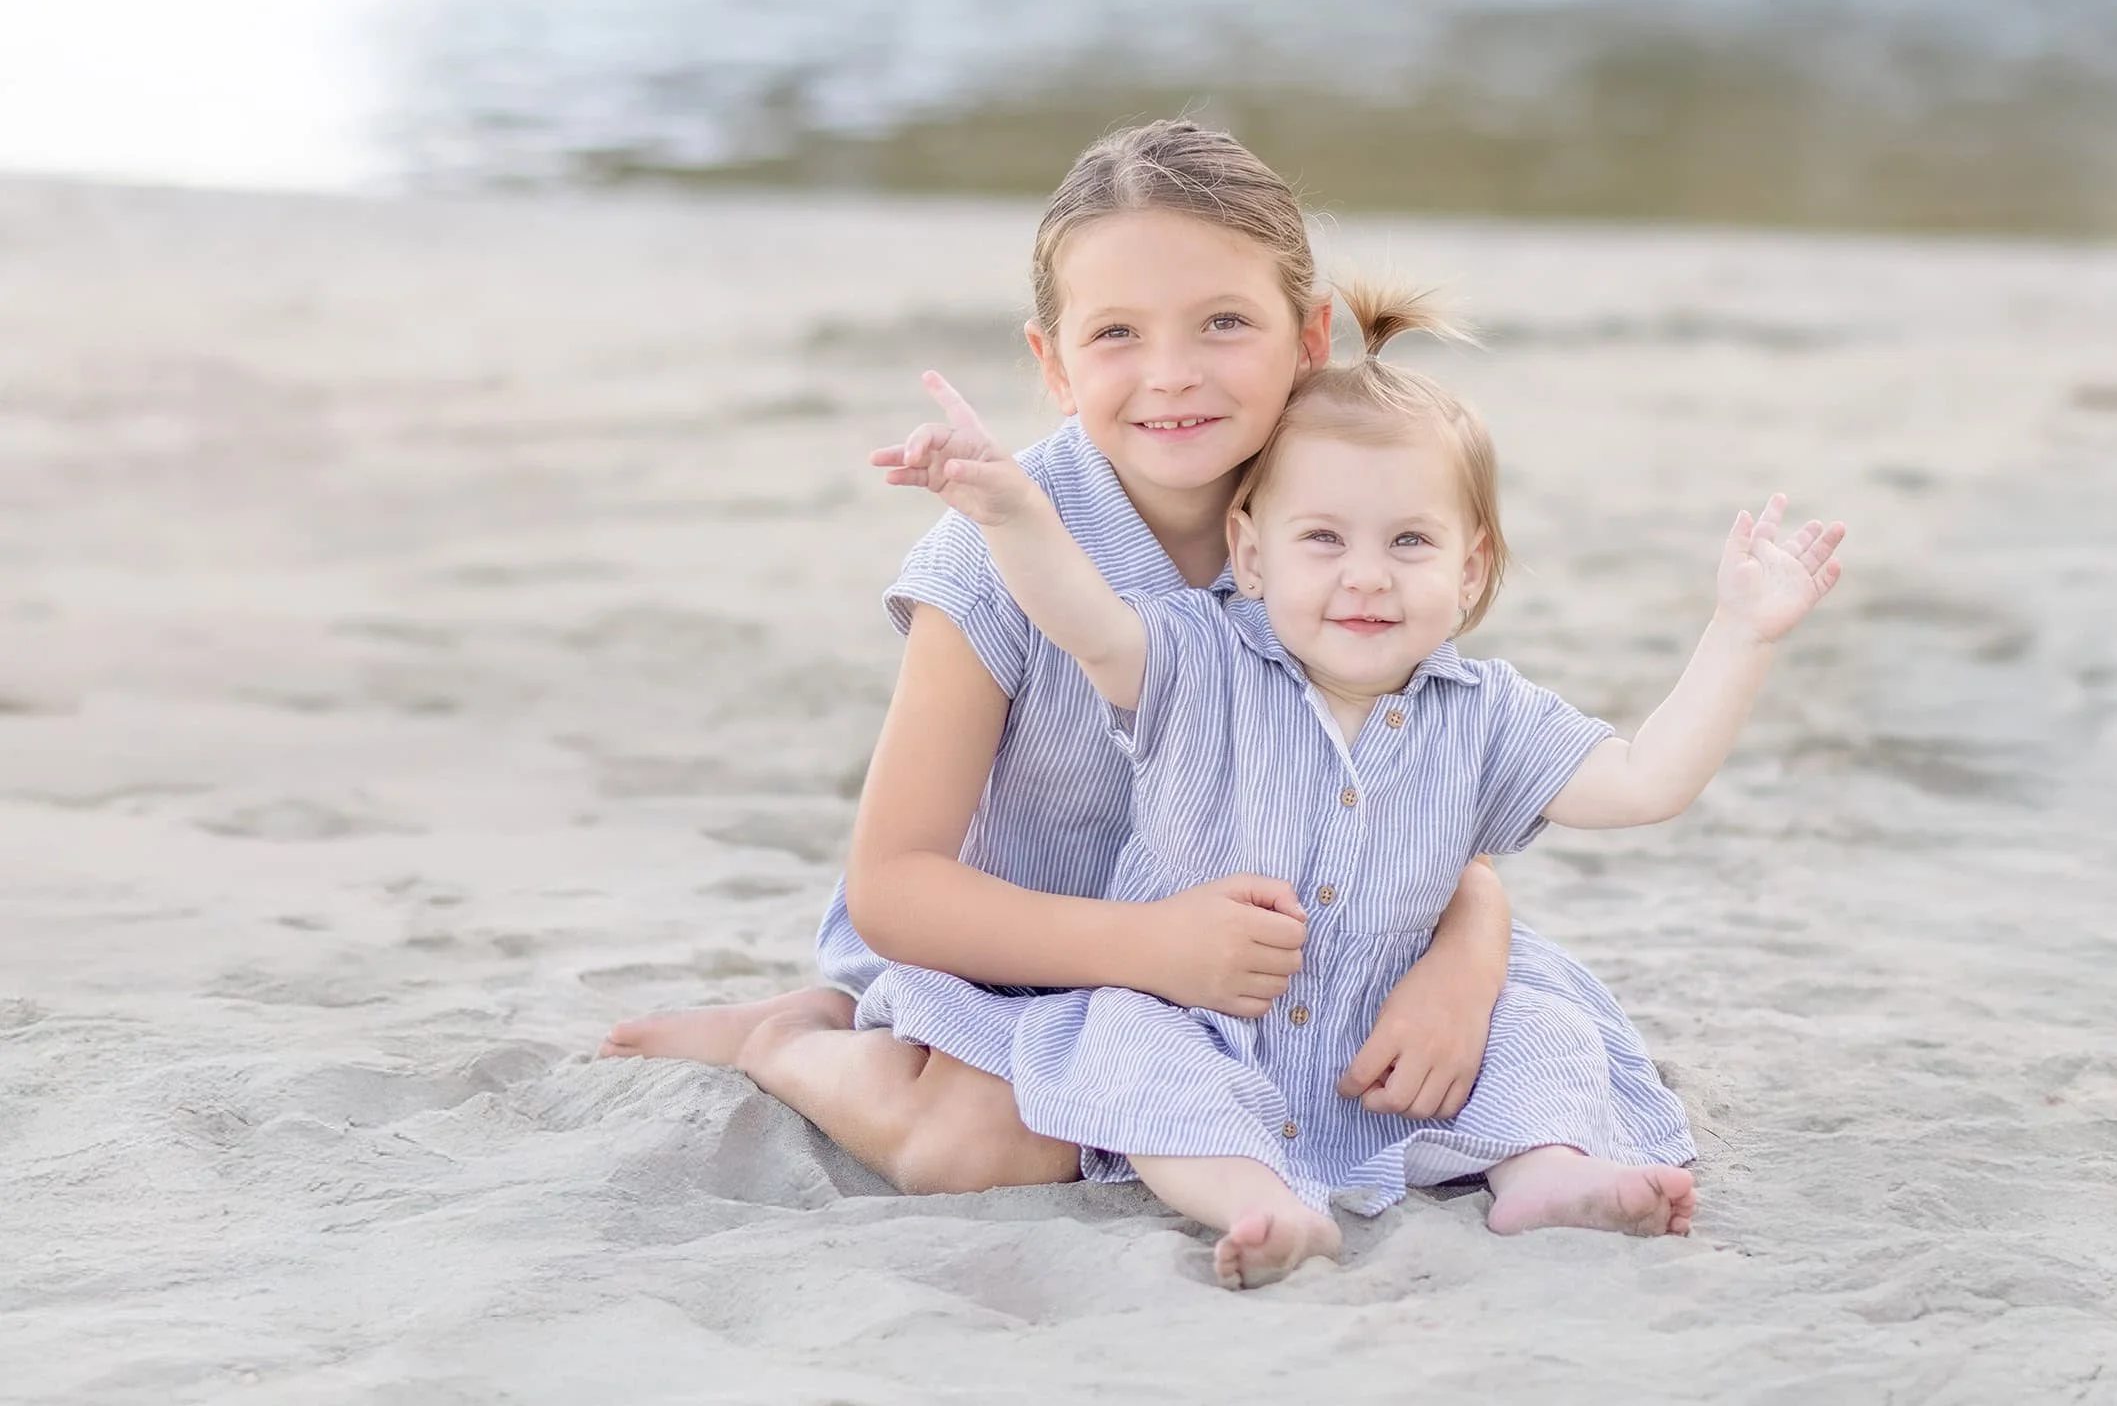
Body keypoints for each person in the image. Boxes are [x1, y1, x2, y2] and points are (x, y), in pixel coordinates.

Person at [602, 120, 1692, 1202]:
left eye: (1224, 322)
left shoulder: (1339, 515)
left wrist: (1468, 952)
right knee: (984, 1147)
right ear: (1054, 362)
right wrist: (1152, 946)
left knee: (1491, 1076)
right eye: (1117, 333)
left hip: (1278, 971)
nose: (1172, 375)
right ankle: (794, 1037)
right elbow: (893, 887)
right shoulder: (995, 555)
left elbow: (1418, 767)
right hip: (1031, 945)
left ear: (1309, 338)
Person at [874, 302, 1841, 1286]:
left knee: (1545, 1026)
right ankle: (1257, 1198)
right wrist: (1008, 509)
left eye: (1411, 542)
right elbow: (1084, 618)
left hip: (1396, 1048)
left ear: (1471, 572)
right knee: (1125, 1046)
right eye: (1324, 539)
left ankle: (1544, 1171)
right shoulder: (1197, 663)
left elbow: (1648, 780)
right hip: (1208, 1018)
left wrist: (1740, 635)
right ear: (1252, 556)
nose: (1367, 577)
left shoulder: (1488, 713)